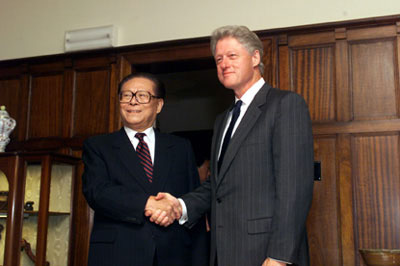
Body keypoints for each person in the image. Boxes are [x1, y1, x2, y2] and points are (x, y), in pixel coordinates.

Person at [148, 25, 315, 266]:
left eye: (232, 56)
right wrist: (180, 206)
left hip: (267, 255)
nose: (224, 64)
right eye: (218, 59)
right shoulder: (223, 120)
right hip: (225, 252)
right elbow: (217, 185)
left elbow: (295, 189)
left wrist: (280, 256)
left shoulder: (285, 105)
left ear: (255, 57)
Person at [82, 72, 208, 266]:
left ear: (158, 105)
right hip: (117, 255)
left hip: (173, 255)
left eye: (142, 96)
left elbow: (192, 201)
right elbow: (97, 192)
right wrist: (147, 204)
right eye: (126, 96)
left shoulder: (180, 147)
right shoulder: (99, 146)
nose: (133, 102)